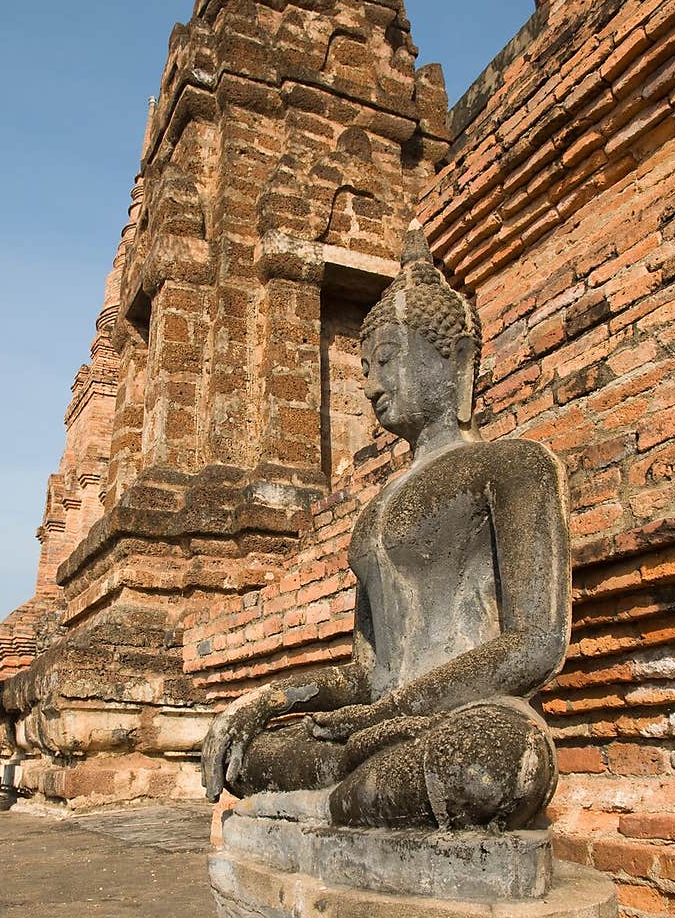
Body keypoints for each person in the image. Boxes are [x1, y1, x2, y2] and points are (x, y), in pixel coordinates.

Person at [201, 225, 571, 830]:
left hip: (463, 720)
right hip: (375, 737)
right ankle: (347, 800)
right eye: (366, 366)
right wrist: (266, 700)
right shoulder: (371, 516)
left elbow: (536, 643)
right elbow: (369, 672)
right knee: (251, 756)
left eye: (388, 361)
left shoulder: (512, 467)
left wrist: (396, 711)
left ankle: (327, 807)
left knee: (496, 766)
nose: (371, 384)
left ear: (453, 357)